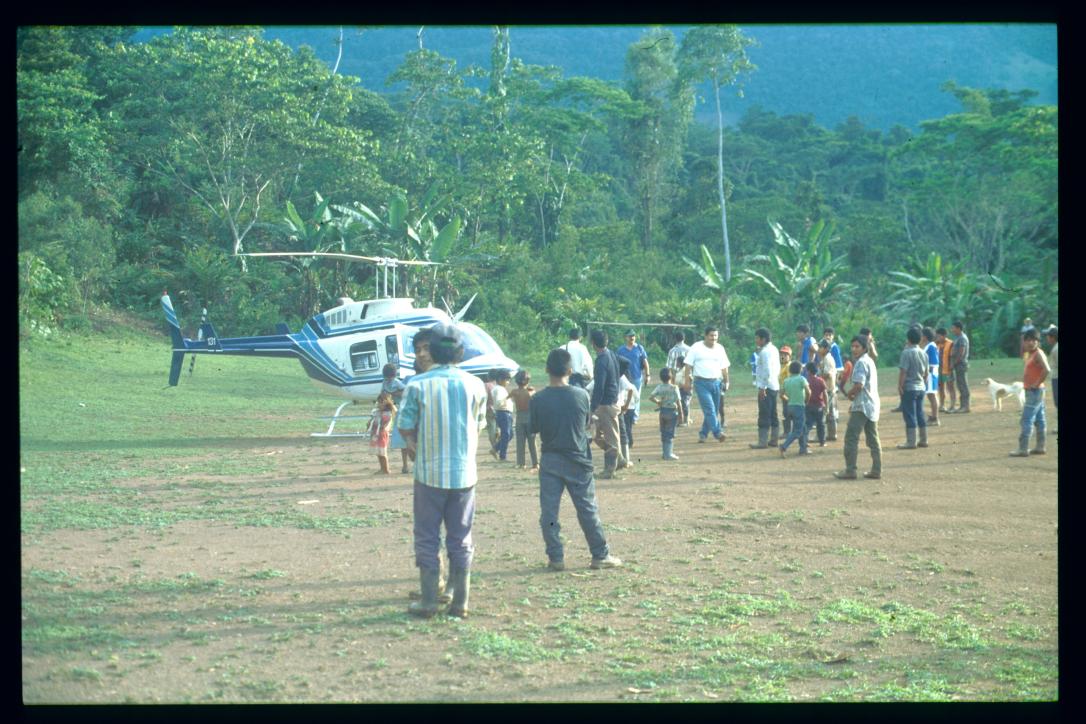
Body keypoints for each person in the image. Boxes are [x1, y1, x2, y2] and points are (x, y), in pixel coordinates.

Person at [398, 322, 488, 618]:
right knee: (460, 537)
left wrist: (415, 445)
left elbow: (405, 425)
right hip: (464, 474)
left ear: (433, 352)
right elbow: (479, 424)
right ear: (460, 353)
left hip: (429, 474)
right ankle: (460, 601)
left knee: (427, 536)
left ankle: (428, 601)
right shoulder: (475, 385)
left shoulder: (417, 385)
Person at [530, 348, 622, 571]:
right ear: (570, 371)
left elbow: (533, 429)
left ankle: (555, 558)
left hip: (550, 460)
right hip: (578, 460)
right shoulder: (581, 395)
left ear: (546, 369)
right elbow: (585, 425)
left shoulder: (538, 399)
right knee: (587, 510)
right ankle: (600, 555)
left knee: (549, 513)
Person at [835, 335, 883, 480]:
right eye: (853, 346)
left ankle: (850, 470)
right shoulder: (869, 361)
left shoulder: (861, 362)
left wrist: (850, 394)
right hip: (871, 404)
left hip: (862, 405)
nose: (854, 349)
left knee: (851, 437)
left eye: (857, 346)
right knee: (873, 438)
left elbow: (859, 385)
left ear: (864, 348)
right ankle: (876, 469)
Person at [682, 326, 730, 443]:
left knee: (714, 410)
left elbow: (724, 367)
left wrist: (727, 381)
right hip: (701, 383)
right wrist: (687, 381)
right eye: (711, 335)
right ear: (705, 336)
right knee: (709, 409)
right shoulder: (696, 347)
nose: (713, 338)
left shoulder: (720, 349)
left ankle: (703, 433)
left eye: (715, 336)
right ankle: (718, 432)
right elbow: (688, 365)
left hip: (716, 382)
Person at [1010, 328, 1050, 457]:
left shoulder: (1038, 354)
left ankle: (1023, 449)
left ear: (1038, 341)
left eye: (1033, 340)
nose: (1030, 343)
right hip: (1034, 391)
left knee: (1026, 419)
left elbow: (1047, 369)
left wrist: (1036, 383)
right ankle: (1040, 447)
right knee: (1039, 419)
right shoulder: (1029, 354)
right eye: (1027, 340)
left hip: (1035, 391)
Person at [589, 329, 622, 479]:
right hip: (612, 399)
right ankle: (619, 459)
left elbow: (599, 386)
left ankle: (610, 470)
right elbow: (625, 364)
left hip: (605, 403)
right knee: (601, 435)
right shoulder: (612, 354)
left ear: (593, 344)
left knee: (609, 437)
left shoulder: (601, 360)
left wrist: (593, 406)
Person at [896, 326, 930, 450]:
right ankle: (924, 439)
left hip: (909, 387)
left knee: (909, 414)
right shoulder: (924, 353)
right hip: (921, 387)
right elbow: (926, 373)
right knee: (920, 413)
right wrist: (923, 384)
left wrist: (900, 385)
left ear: (908, 339)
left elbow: (903, 372)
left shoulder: (906, 352)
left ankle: (911, 441)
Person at [749, 328, 781, 449]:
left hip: (766, 386)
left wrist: (762, 387)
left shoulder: (764, 352)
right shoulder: (774, 349)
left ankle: (762, 442)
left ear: (763, 339)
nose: (756, 340)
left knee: (764, 413)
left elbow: (767, 370)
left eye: (757, 338)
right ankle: (774, 439)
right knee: (773, 413)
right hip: (774, 384)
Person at [615, 330, 650, 425]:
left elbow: (645, 362)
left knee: (636, 396)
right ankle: (623, 414)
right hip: (624, 377)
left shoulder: (639, 348)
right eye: (630, 336)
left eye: (633, 336)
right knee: (623, 396)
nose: (632, 337)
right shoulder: (621, 350)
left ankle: (634, 417)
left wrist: (647, 375)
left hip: (636, 377)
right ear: (626, 337)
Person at [382, 363, 412, 474]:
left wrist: (394, 393)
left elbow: (406, 392)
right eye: (387, 377)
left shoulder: (397, 383)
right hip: (397, 411)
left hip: (405, 410)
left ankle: (412, 464)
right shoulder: (384, 383)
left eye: (390, 377)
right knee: (402, 440)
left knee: (410, 439)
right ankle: (405, 465)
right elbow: (383, 394)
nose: (389, 379)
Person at [778, 361, 811, 457]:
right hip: (799, 406)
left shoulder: (786, 381)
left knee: (802, 427)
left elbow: (781, 395)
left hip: (790, 407)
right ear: (800, 370)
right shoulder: (801, 379)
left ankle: (803, 449)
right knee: (797, 431)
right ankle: (784, 446)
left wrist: (788, 399)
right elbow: (808, 392)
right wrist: (806, 401)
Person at [649, 367, 681, 460]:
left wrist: (658, 402)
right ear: (671, 377)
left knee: (664, 433)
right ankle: (668, 454)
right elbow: (679, 402)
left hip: (662, 412)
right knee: (670, 433)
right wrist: (681, 414)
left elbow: (651, 397)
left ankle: (665, 453)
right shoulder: (674, 388)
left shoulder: (659, 387)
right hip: (672, 412)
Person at [510, 370, 538, 471]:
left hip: (519, 417)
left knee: (520, 442)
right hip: (529, 416)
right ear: (527, 381)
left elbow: (507, 399)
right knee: (532, 442)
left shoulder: (514, 392)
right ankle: (535, 463)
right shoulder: (531, 392)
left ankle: (521, 463)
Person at [615, 357, 638, 469]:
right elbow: (631, 389)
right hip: (617, 408)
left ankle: (622, 459)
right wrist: (626, 405)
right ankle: (623, 459)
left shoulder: (618, 377)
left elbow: (630, 389)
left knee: (617, 434)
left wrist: (626, 405)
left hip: (613, 409)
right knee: (621, 434)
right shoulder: (621, 377)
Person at [816, 339, 839, 441]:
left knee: (825, 412)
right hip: (830, 388)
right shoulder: (825, 358)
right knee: (830, 413)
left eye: (820, 347)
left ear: (826, 349)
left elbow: (828, 374)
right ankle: (831, 434)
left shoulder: (827, 359)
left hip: (828, 389)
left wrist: (818, 377)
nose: (818, 349)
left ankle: (821, 436)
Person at [490, 369, 515, 461]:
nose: (508, 382)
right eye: (507, 380)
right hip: (503, 413)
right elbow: (498, 402)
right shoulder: (498, 389)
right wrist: (509, 397)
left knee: (509, 434)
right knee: (506, 434)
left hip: (506, 413)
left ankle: (495, 449)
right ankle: (502, 456)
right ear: (500, 379)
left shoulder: (501, 389)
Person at [369, 391, 396, 474]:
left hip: (382, 435)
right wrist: (369, 423)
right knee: (378, 452)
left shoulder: (387, 413)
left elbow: (386, 424)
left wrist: (383, 427)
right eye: (378, 402)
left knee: (383, 452)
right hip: (375, 434)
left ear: (386, 403)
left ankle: (386, 469)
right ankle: (382, 468)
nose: (378, 404)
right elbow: (372, 421)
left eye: (381, 403)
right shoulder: (376, 412)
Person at [947, 320, 971, 413]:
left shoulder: (962, 338)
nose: (952, 330)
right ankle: (962, 406)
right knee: (960, 385)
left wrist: (954, 363)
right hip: (958, 364)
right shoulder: (958, 337)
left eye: (953, 328)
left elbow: (961, 352)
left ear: (958, 328)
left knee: (963, 384)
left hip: (961, 364)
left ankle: (966, 406)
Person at [804, 360, 828, 447]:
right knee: (820, 425)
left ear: (808, 371)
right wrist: (826, 406)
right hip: (819, 406)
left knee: (808, 424)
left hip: (809, 405)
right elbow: (825, 394)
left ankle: (805, 441)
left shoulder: (806, 381)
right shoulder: (820, 380)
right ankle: (822, 442)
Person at [921, 327, 941, 426]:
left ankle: (935, 418)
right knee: (931, 395)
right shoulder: (930, 345)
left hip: (930, 374)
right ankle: (934, 416)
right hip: (930, 374)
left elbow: (934, 363)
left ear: (925, 336)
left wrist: (926, 374)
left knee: (932, 395)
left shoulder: (930, 346)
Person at [935, 327, 956, 413]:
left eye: (939, 336)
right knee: (941, 387)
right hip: (939, 369)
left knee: (950, 387)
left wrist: (951, 367)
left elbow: (952, 357)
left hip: (948, 369)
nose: (938, 338)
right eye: (937, 336)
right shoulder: (936, 344)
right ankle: (942, 405)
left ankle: (952, 406)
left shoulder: (950, 343)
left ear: (944, 336)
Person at [778, 345, 793, 438]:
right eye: (781, 354)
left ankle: (787, 432)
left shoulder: (789, 366)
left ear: (789, 356)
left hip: (788, 393)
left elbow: (789, 380)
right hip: (784, 392)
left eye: (785, 354)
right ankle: (788, 431)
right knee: (786, 411)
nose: (782, 356)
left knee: (787, 412)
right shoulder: (782, 366)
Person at [1044, 325, 1058, 419]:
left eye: (1048, 336)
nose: (1047, 338)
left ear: (1053, 337)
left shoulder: (1056, 349)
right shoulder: (1055, 348)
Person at [674, 355, 692, 426]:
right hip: (679, 390)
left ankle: (686, 421)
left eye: (677, 362)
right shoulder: (679, 370)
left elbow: (690, 378)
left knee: (684, 404)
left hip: (684, 390)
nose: (676, 363)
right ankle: (681, 420)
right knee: (680, 405)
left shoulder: (685, 370)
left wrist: (688, 386)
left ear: (681, 362)